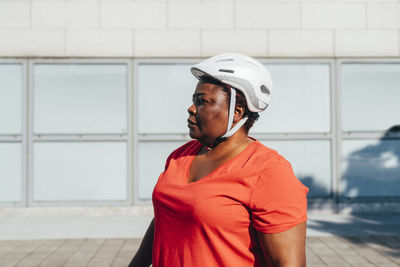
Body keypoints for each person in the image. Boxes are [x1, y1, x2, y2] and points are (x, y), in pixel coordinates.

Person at [129, 53, 308, 267]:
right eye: (193, 100)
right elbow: (164, 218)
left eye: (202, 101)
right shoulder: (180, 156)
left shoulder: (268, 170)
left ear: (237, 112)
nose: (191, 108)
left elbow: (287, 262)